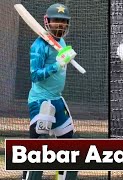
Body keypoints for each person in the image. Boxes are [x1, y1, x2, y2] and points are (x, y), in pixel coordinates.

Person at [22, 3, 78, 180]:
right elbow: (35, 76)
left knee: (69, 145)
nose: (60, 25)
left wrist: (64, 58)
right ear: (47, 22)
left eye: (63, 22)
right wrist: (58, 64)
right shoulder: (38, 46)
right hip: (40, 101)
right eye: (56, 21)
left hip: (56, 98)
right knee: (38, 146)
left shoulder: (61, 42)